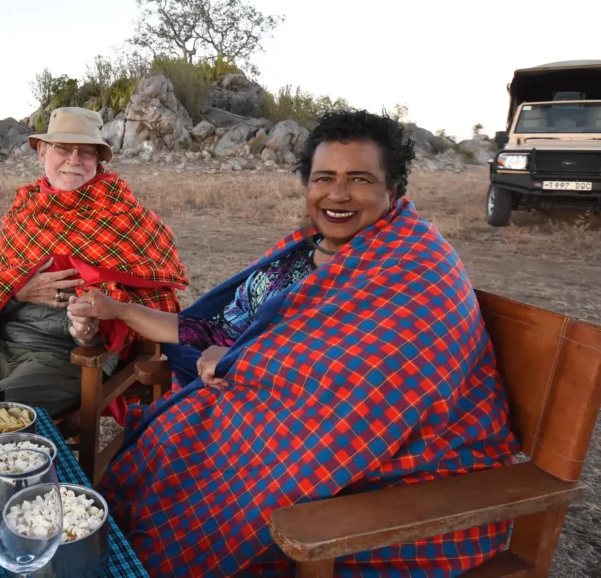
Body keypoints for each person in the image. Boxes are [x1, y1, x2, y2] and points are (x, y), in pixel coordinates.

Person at [68, 109, 520, 576]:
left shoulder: (416, 266)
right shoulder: (296, 258)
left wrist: (240, 360)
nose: (338, 194)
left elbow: (365, 381)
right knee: (167, 453)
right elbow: (205, 330)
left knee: (196, 487)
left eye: (360, 179)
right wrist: (118, 310)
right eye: (324, 177)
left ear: (395, 189)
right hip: (257, 412)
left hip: (381, 461)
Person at [0, 107, 188, 418]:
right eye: (63, 148)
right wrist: (17, 291)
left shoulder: (124, 215)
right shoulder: (26, 210)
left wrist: (90, 329)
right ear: (42, 153)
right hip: (0, 342)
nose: (73, 160)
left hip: (67, 355)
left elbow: (152, 302)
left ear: (98, 162)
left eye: (86, 153)